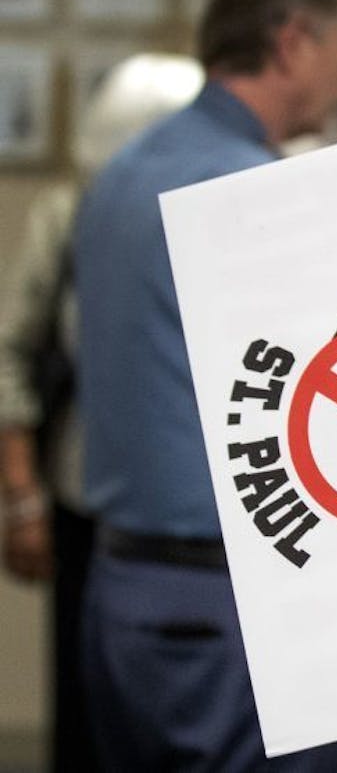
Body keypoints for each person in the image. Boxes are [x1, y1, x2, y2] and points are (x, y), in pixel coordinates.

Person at [71, 0, 337, 769]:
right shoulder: (255, 194)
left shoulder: (122, 173)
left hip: (125, 592)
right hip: (235, 615)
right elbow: (330, 409)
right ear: (292, 40)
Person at [0, 52, 203, 773]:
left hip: (199, 509)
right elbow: (14, 351)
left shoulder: (219, 211)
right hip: (91, 494)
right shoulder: (72, 214)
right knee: (89, 707)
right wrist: (21, 497)